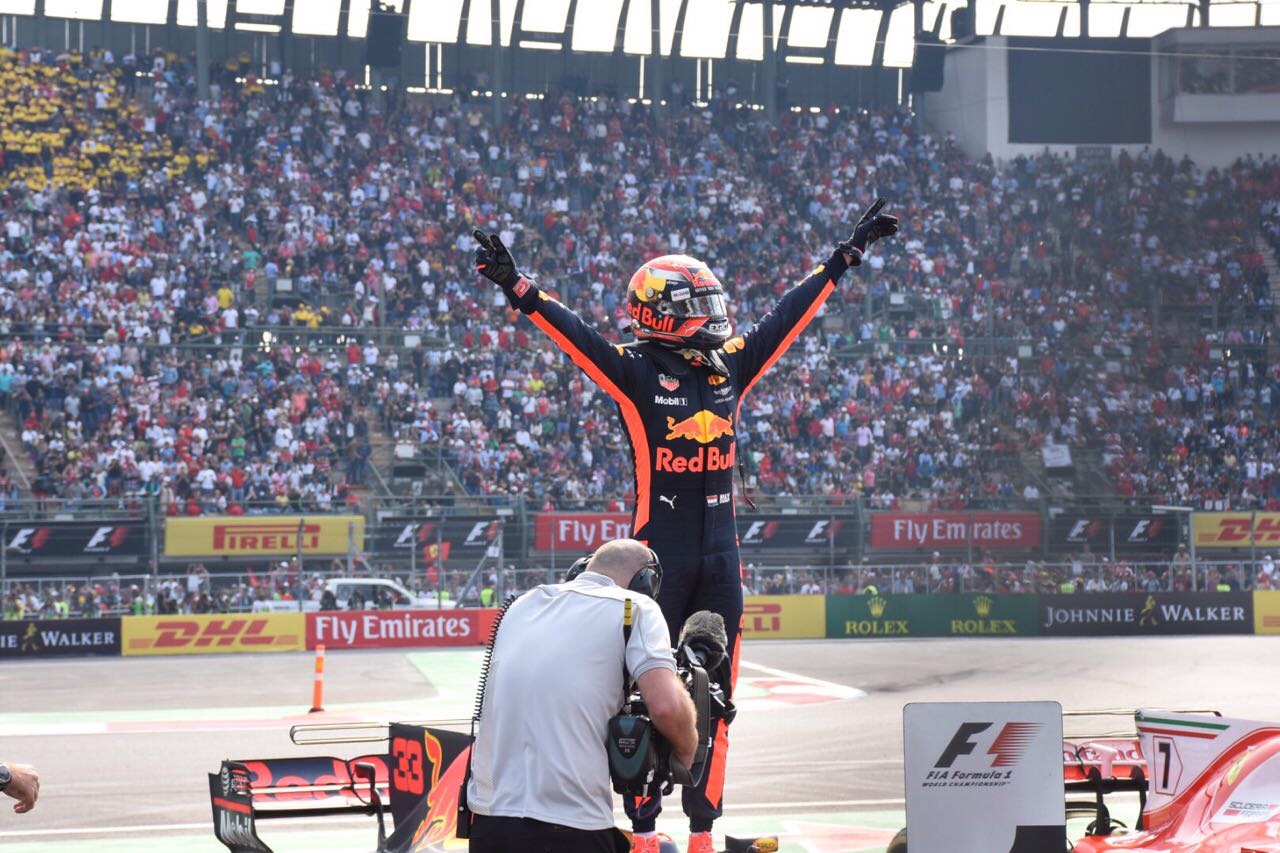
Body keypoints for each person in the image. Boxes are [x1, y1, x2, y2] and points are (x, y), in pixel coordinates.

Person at [474, 199, 898, 852]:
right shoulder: (634, 371)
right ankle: (643, 833)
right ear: (662, 311)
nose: (715, 311)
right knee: (645, 704)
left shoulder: (728, 365)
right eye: (699, 299)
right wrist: (519, 287)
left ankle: (703, 834)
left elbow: (787, 319)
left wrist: (844, 258)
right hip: (657, 563)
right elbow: (576, 336)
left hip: (722, 565)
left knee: (719, 704)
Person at [465, 538, 697, 853]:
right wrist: (687, 751)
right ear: (646, 580)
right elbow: (667, 706)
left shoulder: (521, 605)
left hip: (489, 821)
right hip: (570, 820)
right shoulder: (635, 606)